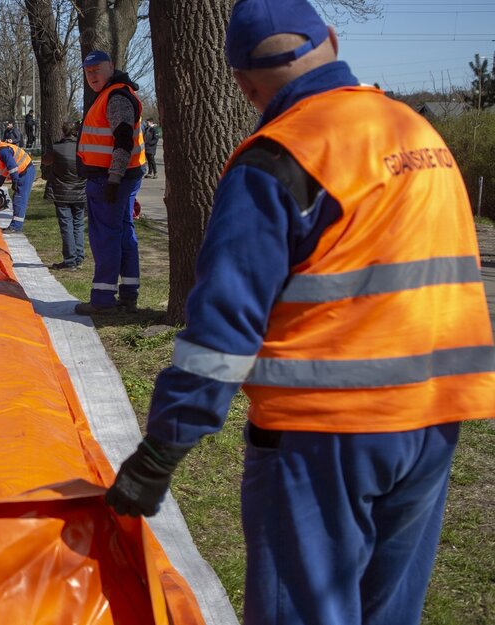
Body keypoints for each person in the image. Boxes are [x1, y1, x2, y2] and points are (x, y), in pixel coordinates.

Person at [104, 2, 495, 625]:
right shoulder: (416, 134)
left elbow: (221, 333)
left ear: (241, 82)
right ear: (333, 41)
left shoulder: (279, 158)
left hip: (324, 436)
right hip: (435, 418)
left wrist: (160, 452)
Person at [74, 48, 146, 314]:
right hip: (121, 178)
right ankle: (128, 294)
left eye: (96, 70)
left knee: (106, 237)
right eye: (88, 72)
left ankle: (103, 300)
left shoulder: (115, 97)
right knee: (123, 234)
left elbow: (123, 140)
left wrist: (114, 179)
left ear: (111, 67)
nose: (92, 76)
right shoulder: (115, 93)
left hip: (109, 180)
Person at [42, 121, 86, 270]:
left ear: (63, 132)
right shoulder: (83, 147)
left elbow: (45, 161)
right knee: (78, 224)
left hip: (62, 192)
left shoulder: (57, 148)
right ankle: (78, 257)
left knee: (67, 225)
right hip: (80, 191)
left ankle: (70, 260)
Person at [0, 132, 35, 234]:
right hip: (23, 171)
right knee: (18, 199)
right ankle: (15, 225)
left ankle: (16, 227)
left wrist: (15, 181)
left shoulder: (2, 150)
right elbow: (3, 171)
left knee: (19, 199)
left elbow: (12, 167)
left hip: (25, 172)